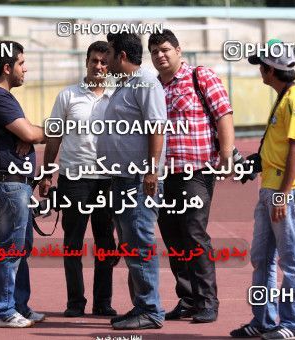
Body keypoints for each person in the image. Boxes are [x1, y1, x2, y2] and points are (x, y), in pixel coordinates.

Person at [148, 29, 235, 324]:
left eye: (164, 49)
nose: (160, 55)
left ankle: (208, 301)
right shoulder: (154, 88)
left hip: (197, 171)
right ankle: (188, 300)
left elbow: (223, 113)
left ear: (178, 50)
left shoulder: (201, 76)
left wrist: (226, 154)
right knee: (173, 238)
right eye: (155, 52)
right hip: (164, 176)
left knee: (194, 233)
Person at [230, 40, 295, 339]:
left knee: (290, 260)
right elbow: (279, 148)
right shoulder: (284, 96)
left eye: (261, 67)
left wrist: (283, 193)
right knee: (261, 258)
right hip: (270, 187)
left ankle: (293, 325)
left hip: (284, 191)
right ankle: (263, 320)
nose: (260, 72)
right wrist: (257, 162)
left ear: (271, 70)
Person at [38, 41, 117, 318]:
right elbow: (54, 137)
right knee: (72, 243)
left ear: (110, 66)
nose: (98, 66)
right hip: (74, 179)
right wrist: (47, 174)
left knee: (106, 243)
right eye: (94, 61)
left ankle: (103, 302)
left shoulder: (118, 96)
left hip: (108, 180)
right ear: (86, 62)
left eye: (104, 62)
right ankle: (75, 303)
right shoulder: (67, 96)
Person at [97, 32, 167, 330]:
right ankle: (141, 305)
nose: (106, 60)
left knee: (139, 245)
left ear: (122, 56)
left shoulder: (146, 83)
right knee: (130, 246)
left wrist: (151, 170)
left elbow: (156, 127)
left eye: (109, 54)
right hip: (122, 181)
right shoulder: (126, 85)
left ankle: (150, 310)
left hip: (138, 181)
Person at [0, 40, 46, 328]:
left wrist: (29, 133)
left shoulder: (3, 97)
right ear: (7, 68)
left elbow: (28, 132)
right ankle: (1, 311)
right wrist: (39, 132)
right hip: (9, 184)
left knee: (21, 247)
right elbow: (31, 133)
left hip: (18, 185)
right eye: (21, 63)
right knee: (10, 248)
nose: (25, 68)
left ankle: (18, 305)